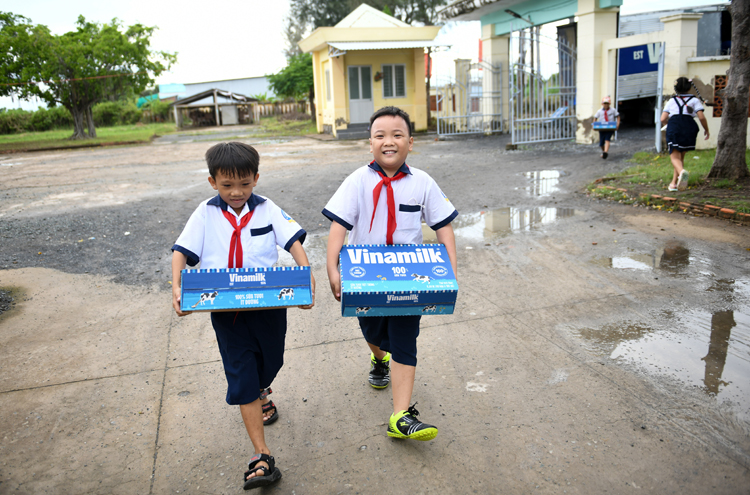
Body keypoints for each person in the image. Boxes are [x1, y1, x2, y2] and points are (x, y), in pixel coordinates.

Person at [171, 142, 315, 490]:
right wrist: (176, 286)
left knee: (271, 361)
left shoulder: (267, 209)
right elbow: (182, 250)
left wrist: (305, 273)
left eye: (245, 184)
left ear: (256, 178)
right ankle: (261, 455)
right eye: (227, 185)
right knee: (241, 375)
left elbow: (293, 241)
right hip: (226, 311)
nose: (236, 192)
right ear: (212, 182)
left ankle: (263, 388)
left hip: (268, 307)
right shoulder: (204, 214)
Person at [323, 106, 458, 441]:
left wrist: (450, 273)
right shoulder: (356, 181)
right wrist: (333, 267)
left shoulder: (423, 182)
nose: (389, 141)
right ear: (370, 143)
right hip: (364, 274)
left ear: (410, 142)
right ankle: (378, 359)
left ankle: (400, 415)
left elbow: (444, 228)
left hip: (411, 275)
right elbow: (339, 226)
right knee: (372, 331)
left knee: (404, 339)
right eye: (380, 135)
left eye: (397, 135)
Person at [661, 77, 710, 192]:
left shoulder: (672, 101)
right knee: (680, 156)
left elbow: (663, 118)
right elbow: (701, 117)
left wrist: (669, 125)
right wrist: (706, 130)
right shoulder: (695, 100)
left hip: (675, 127)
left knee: (674, 156)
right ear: (689, 88)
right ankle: (674, 184)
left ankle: (682, 172)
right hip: (689, 127)